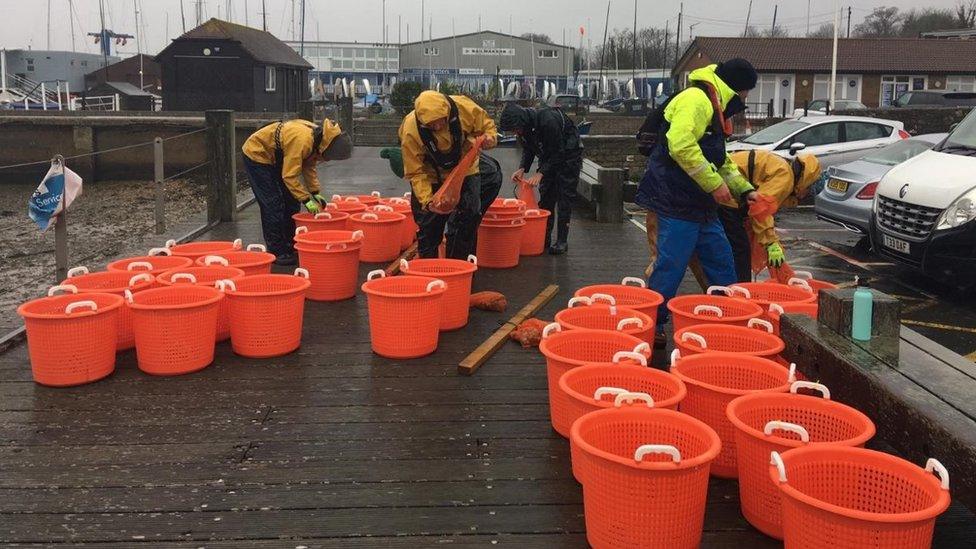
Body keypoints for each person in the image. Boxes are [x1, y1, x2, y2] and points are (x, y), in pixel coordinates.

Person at [634, 59, 759, 344]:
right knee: (671, 265)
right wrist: (714, 185)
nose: (746, 98)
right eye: (747, 92)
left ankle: (729, 318)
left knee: (722, 261)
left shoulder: (716, 107)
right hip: (676, 200)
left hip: (701, 205)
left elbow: (721, 160)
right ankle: (653, 324)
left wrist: (744, 190)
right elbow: (680, 144)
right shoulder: (696, 100)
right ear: (737, 88)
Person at [398, 90, 498, 259]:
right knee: (428, 225)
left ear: (447, 112)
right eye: (431, 126)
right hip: (431, 176)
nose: (437, 127)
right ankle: (427, 270)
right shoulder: (410, 130)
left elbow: (487, 126)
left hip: (465, 169)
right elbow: (415, 171)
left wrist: (489, 139)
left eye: (441, 122)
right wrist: (428, 201)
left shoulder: (464, 107)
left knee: (469, 215)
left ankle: (459, 265)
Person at [242, 118, 352, 265]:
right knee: (273, 204)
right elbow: (289, 176)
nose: (327, 160)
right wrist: (306, 199)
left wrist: (315, 192)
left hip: (277, 155)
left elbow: (309, 166)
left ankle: (289, 242)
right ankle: (277, 251)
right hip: (257, 155)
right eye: (329, 158)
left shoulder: (318, 139)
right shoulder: (303, 141)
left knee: (291, 201)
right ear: (327, 149)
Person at [498, 102, 583, 254]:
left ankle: (562, 241)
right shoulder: (524, 130)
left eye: (515, 129)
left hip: (569, 154)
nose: (515, 133)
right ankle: (545, 237)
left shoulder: (547, 121)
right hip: (549, 155)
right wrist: (522, 168)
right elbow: (529, 148)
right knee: (546, 198)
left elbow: (559, 152)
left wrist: (540, 173)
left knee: (564, 198)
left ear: (521, 122)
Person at [727, 149, 822, 278]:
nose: (805, 195)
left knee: (734, 244)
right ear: (805, 183)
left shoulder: (783, 169)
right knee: (741, 251)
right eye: (809, 190)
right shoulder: (785, 178)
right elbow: (761, 209)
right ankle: (739, 289)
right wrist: (771, 243)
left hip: (728, 185)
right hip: (727, 191)